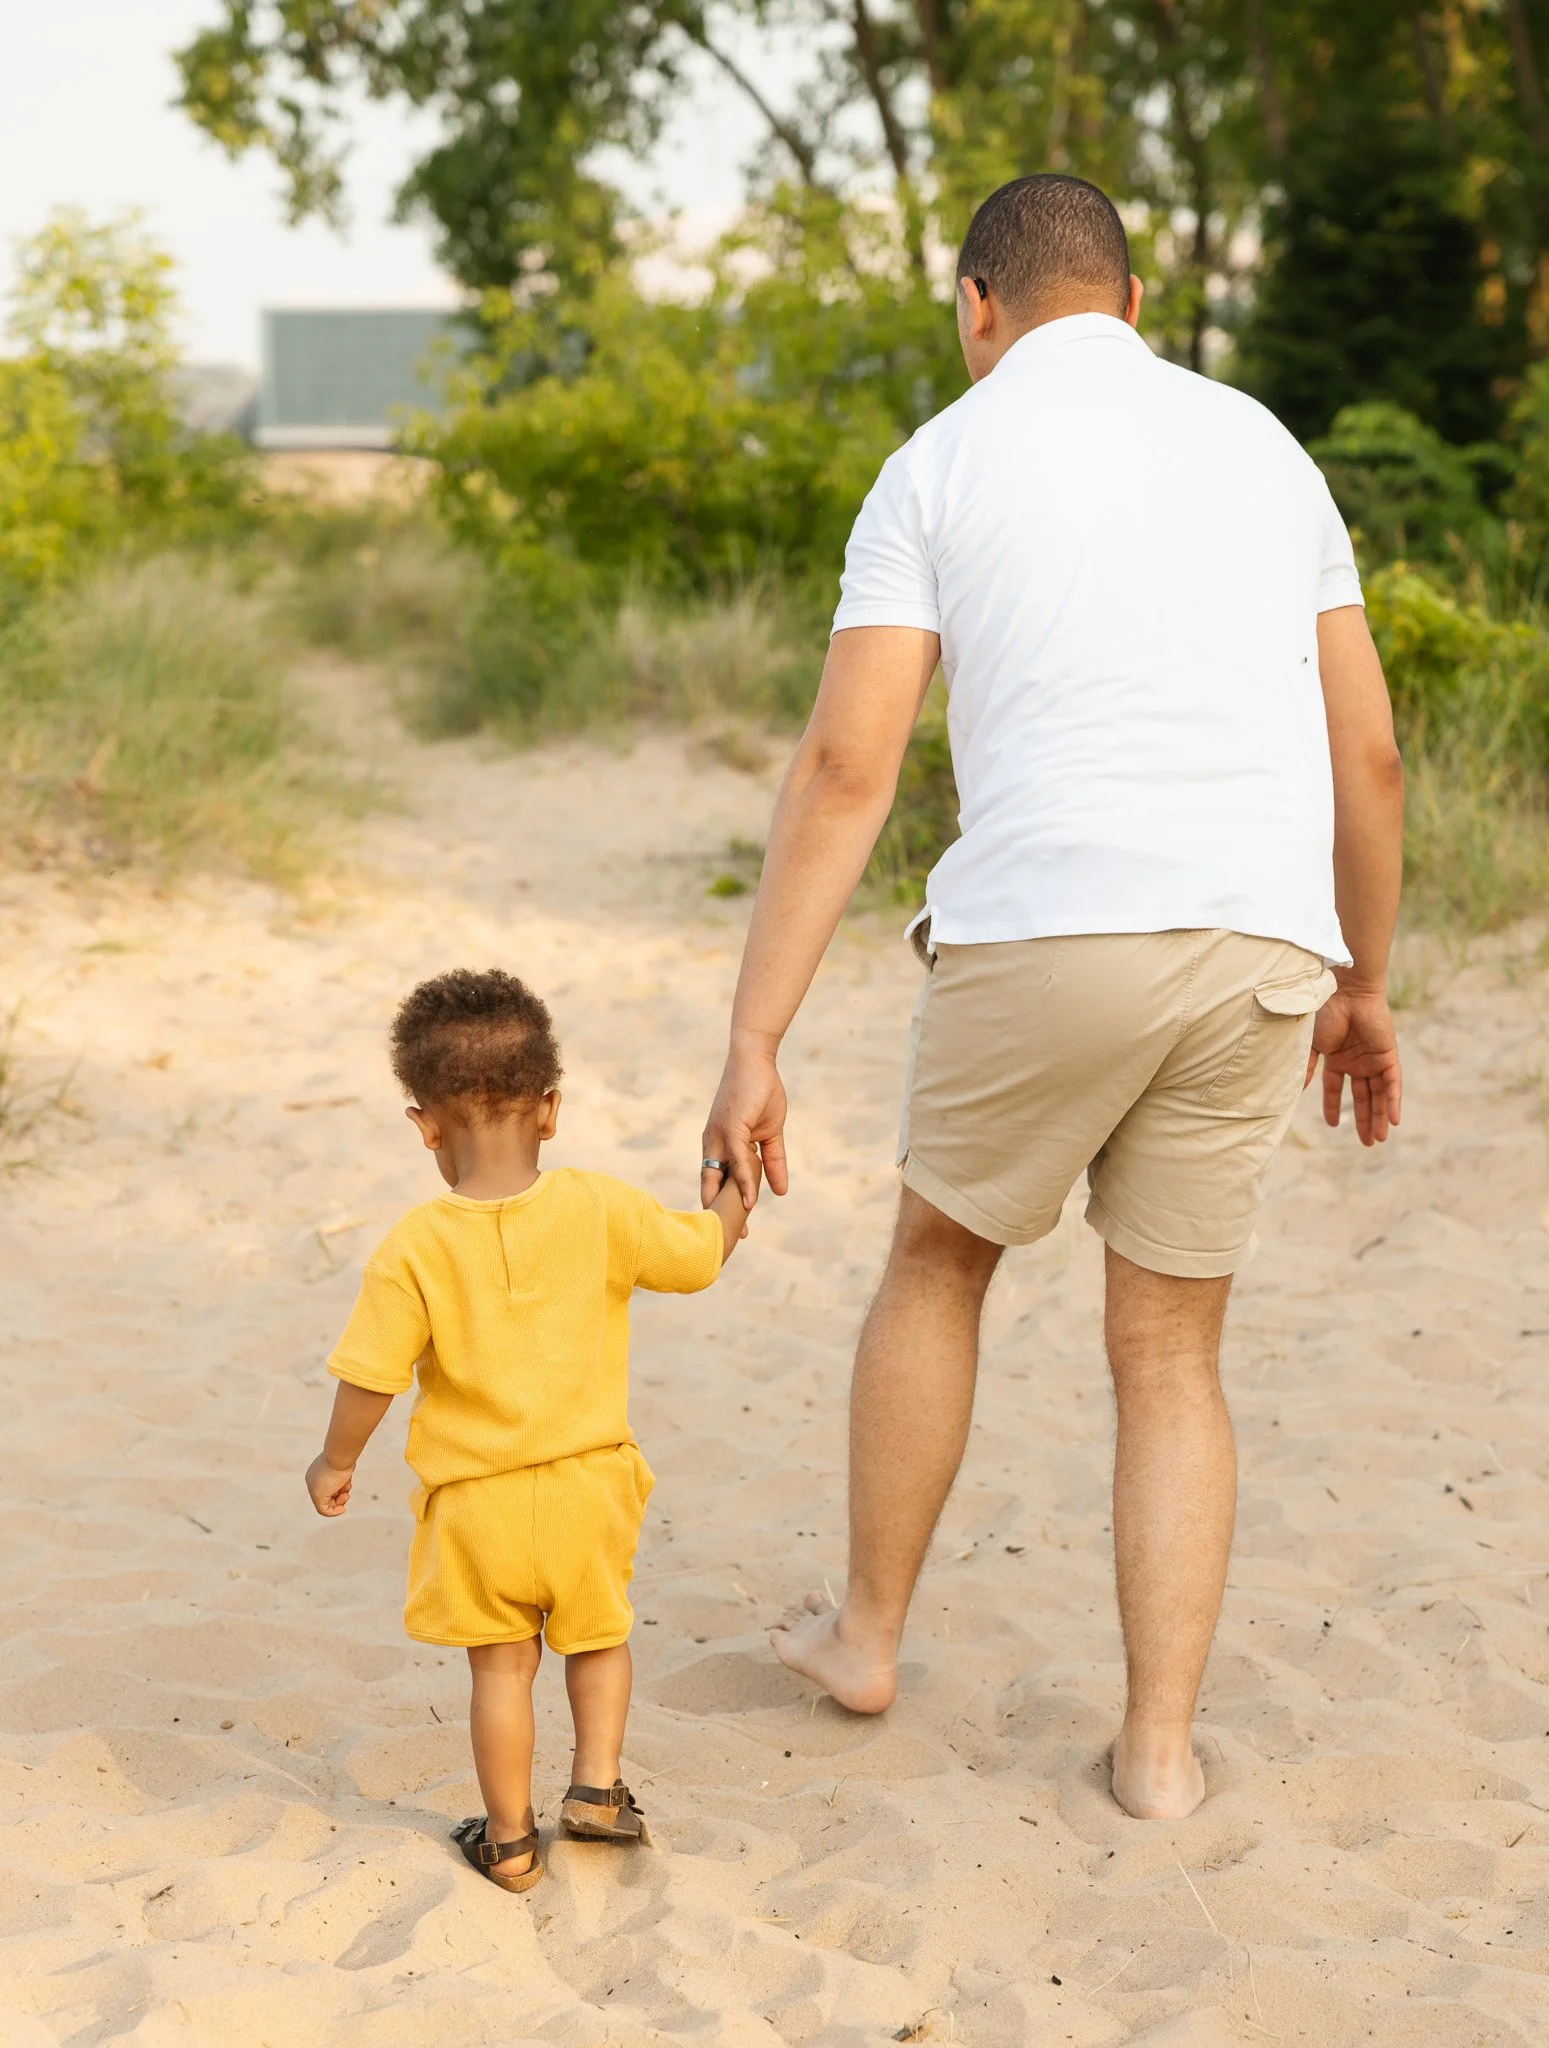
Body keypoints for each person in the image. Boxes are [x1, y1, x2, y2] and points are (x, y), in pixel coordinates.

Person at [699, 173, 1404, 1823]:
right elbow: (1363, 751)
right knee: (1168, 1344)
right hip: (1253, 939)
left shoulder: (937, 460)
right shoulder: (1258, 445)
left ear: (973, 308)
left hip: (1043, 928)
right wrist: (1359, 981)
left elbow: (845, 761)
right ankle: (1156, 1749)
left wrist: (754, 1035)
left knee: (937, 1264)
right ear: (1134, 302)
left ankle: (867, 1630)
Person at [306, 968, 751, 1892]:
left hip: (478, 1506)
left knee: (502, 1674)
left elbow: (369, 1377)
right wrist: (731, 1193)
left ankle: (508, 1843)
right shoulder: (601, 1206)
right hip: (589, 1489)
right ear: (550, 1108)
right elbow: (701, 1257)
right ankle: (595, 1790)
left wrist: (333, 1459)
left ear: (423, 1123)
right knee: (598, 1640)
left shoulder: (413, 1246)